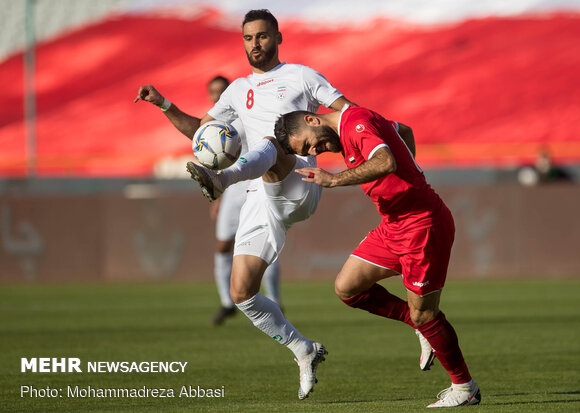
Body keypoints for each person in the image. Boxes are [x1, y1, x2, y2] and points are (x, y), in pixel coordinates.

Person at [135, 9, 357, 399]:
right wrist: (164, 104)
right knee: (242, 293)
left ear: (278, 38)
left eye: (262, 36)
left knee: (274, 143)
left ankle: (221, 180)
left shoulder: (303, 76)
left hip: (300, 181)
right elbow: (202, 133)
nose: (255, 44)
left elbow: (348, 113)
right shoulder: (237, 90)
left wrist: (359, 145)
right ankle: (303, 350)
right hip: (261, 195)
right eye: (248, 38)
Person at [272, 105, 481, 408]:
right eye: (308, 151)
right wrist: (409, 173)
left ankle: (465, 387)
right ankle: (420, 326)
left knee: (426, 314)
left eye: (309, 143)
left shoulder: (356, 122)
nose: (315, 150)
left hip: (421, 225)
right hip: (393, 225)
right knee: (347, 287)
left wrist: (333, 179)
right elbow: (404, 132)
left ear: (311, 120)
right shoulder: (349, 131)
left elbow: (385, 161)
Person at [205, 75, 281, 326]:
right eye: (213, 92)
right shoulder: (215, 124)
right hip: (231, 191)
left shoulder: (244, 116)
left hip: (255, 185)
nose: (217, 96)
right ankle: (227, 303)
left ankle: (275, 300)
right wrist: (219, 197)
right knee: (223, 246)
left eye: (221, 91)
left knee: (264, 246)